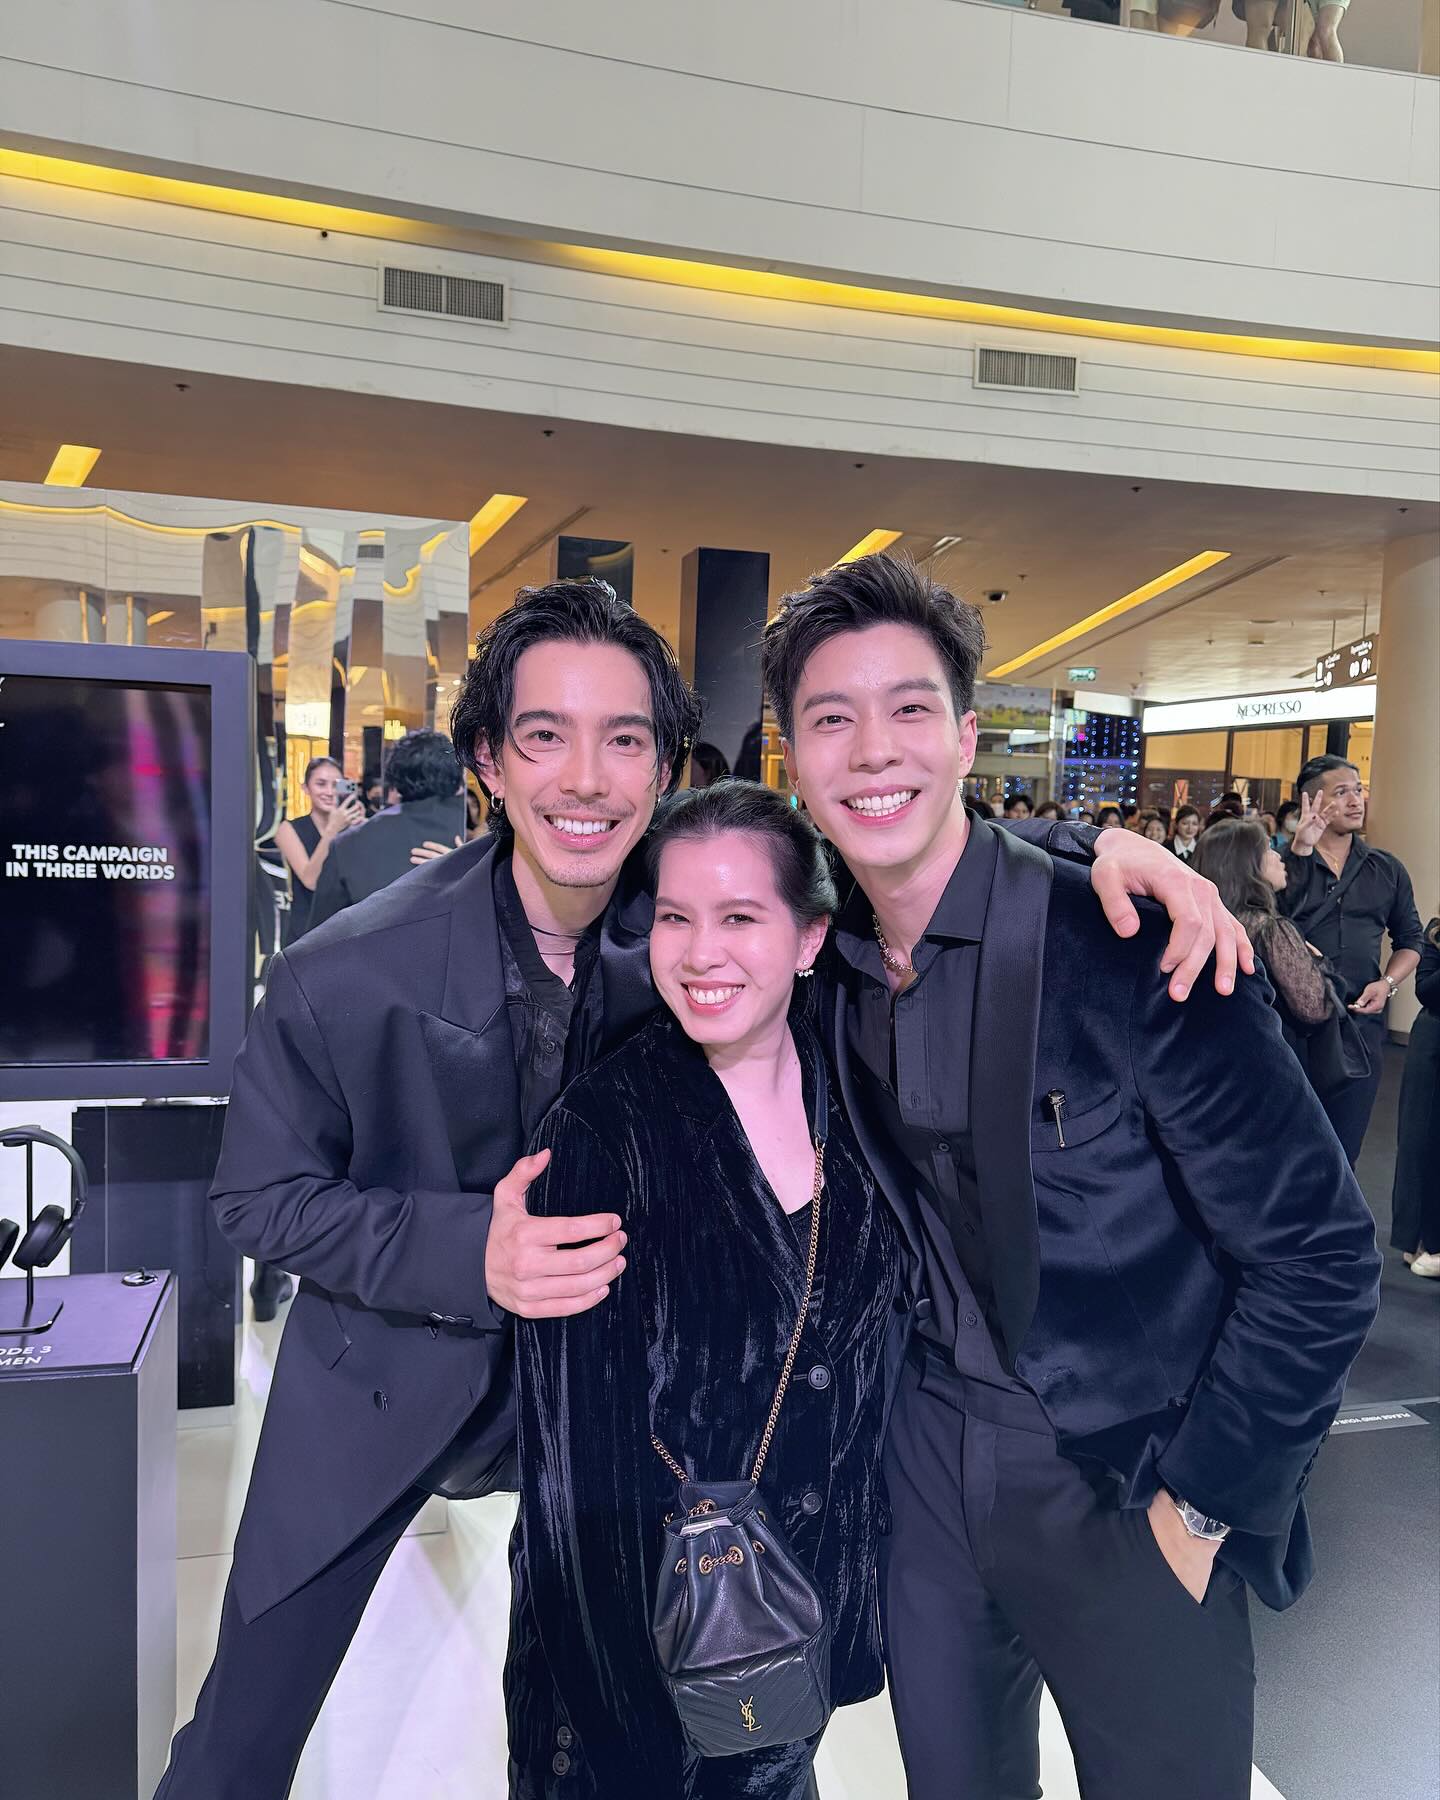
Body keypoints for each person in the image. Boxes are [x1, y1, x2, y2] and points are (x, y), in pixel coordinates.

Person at [155, 574, 1240, 1797]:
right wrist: (471, 1252)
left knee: (655, 1712)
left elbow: (893, 865)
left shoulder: (684, 922)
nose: (586, 779)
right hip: (391, 1383)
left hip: (625, 1420)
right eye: (544, 736)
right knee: (242, 1737)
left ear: (665, 764)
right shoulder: (348, 971)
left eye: (624, 740)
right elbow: (256, 1198)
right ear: (487, 760)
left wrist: (1104, 850)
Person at [763, 553, 1380, 1800]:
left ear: (965, 735)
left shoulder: (1134, 947)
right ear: (792, 757)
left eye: (910, 709)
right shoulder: (819, 958)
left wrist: (1200, 1509)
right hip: (924, 1464)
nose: (873, 750)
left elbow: (1322, 1256)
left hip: (1128, 1476)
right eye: (832, 718)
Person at [507, 782, 900, 1797]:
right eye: (676, 918)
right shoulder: (602, 1134)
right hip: (647, 1671)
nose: (698, 953)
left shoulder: (856, 1098)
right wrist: (628, 1729)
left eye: (739, 918)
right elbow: (571, 1473)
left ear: (809, 937)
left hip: (794, 1634)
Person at [1279, 755, 1426, 1165]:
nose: (1355, 800)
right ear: (1312, 801)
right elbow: (1268, 922)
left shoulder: (1387, 869)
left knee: (1344, 1147)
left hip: (1359, 1025)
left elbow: (1411, 939)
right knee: (1287, 1143)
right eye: (1341, 792)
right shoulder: (1281, 864)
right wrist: (1301, 849)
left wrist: (1388, 983)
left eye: (1358, 790)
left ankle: (1336, 1207)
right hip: (1293, 1024)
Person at [1193, 817, 1331, 1059]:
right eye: (1268, 848)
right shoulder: (1270, 929)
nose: (1278, 856)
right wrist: (1319, 964)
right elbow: (1313, 1008)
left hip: (1211, 1056)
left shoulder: (1202, 921)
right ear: (1246, 864)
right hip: (1271, 1059)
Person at [308, 729, 466, 927]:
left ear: (395, 784)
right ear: (457, 782)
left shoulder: (347, 845)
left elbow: (319, 932)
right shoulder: (477, 845)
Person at [1391, 919, 1440, 1276]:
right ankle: (1423, 1240)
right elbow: (1427, 990)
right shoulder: (1436, 931)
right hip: (1434, 1044)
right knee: (1421, 1140)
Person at [274, 757, 364, 950]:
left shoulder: (353, 828)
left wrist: (362, 829)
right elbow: (311, 880)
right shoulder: (288, 829)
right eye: (321, 784)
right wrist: (333, 829)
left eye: (336, 785)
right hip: (305, 932)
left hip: (345, 930)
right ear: (305, 788)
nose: (329, 792)